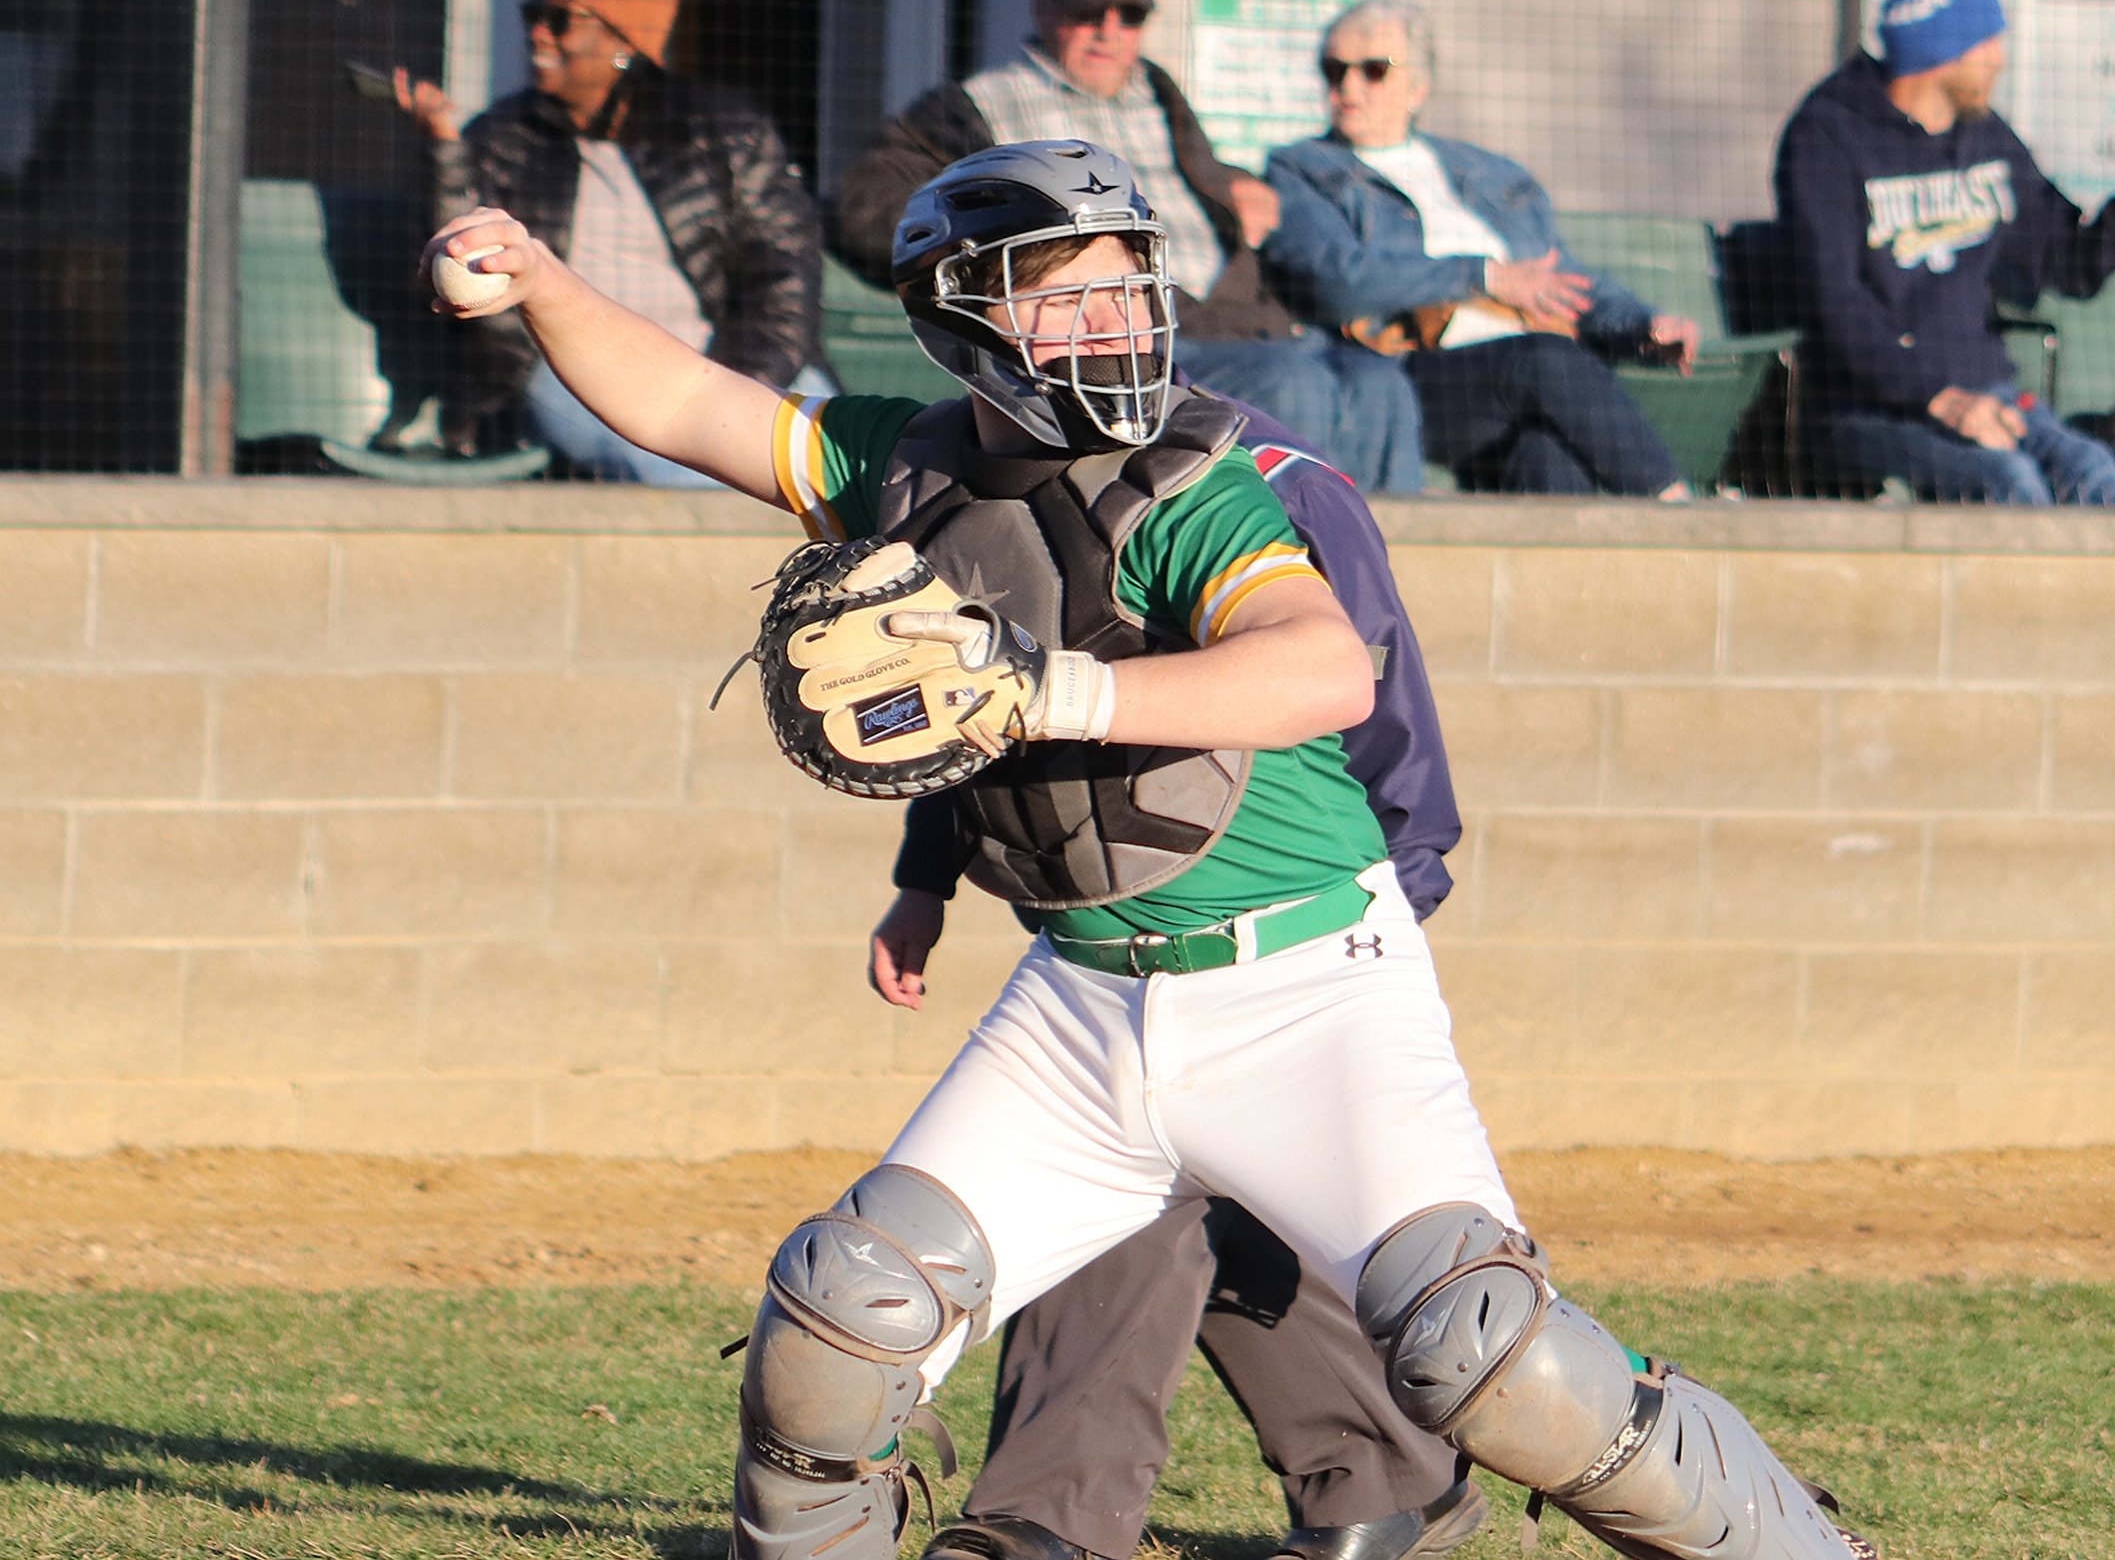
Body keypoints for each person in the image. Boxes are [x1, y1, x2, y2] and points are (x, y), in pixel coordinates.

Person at [421, 138, 1880, 1560]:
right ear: (962, 317)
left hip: (1307, 989)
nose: (1111, 320)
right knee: (835, 1321)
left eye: (1128, 286)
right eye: (1064, 293)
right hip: (1078, 1007)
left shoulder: (1192, 482)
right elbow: (683, 402)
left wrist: (1045, 692)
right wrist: (540, 278)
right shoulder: (903, 465)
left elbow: (1321, 670)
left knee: (1490, 1358)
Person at [872, 397, 1481, 1560]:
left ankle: (1051, 1515)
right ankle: (1381, 1481)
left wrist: (1384, 911)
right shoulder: (1012, 477)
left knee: (1186, 1208)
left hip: (1301, 930)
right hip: (1116, 937)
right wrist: (927, 877)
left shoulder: (1277, 487)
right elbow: (982, 708)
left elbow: (1381, 721)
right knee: (1180, 1204)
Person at [831, 0, 1424, 498]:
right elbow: (867, 203)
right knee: (1294, 383)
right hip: (1125, 326)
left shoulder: (1157, 91)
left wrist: (1236, 186)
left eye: (1129, 16)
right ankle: (1288, 561)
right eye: (1089, 12)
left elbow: (1198, 179)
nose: (1107, 31)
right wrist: (986, 233)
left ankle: (1383, 559)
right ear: (1044, 13)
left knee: (1379, 381)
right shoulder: (975, 104)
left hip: (1240, 315)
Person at [1261, 0, 1698, 499]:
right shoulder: (1303, 169)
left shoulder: (1490, 175)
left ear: (1418, 87)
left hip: (1523, 372)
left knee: (1545, 454)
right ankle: (1683, 516)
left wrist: (1643, 323)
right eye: (1334, 70)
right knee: (1546, 360)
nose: (1349, 87)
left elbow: (1561, 278)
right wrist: (1483, 275)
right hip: (1410, 371)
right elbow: (1333, 278)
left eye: (1374, 70)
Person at [395, 0, 827, 481]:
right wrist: (447, 151)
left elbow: (784, 285)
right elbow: (457, 274)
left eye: (559, 20)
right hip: (572, 368)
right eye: (533, 16)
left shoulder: (723, 133)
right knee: (692, 473)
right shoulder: (502, 139)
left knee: (834, 461)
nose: (537, 35)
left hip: (725, 367)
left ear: (625, 39)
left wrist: (729, 396)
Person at [1774, 0, 2115, 505]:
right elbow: (1835, 303)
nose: (2000, 60)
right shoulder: (1827, 137)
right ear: (1944, 53)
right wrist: (1939, 396)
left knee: (2096, 473)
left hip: (1990, 394)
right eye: (1988, 45)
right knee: (2011, 485)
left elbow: (2069, 261)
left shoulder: (1985, 137)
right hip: (1867, 407)